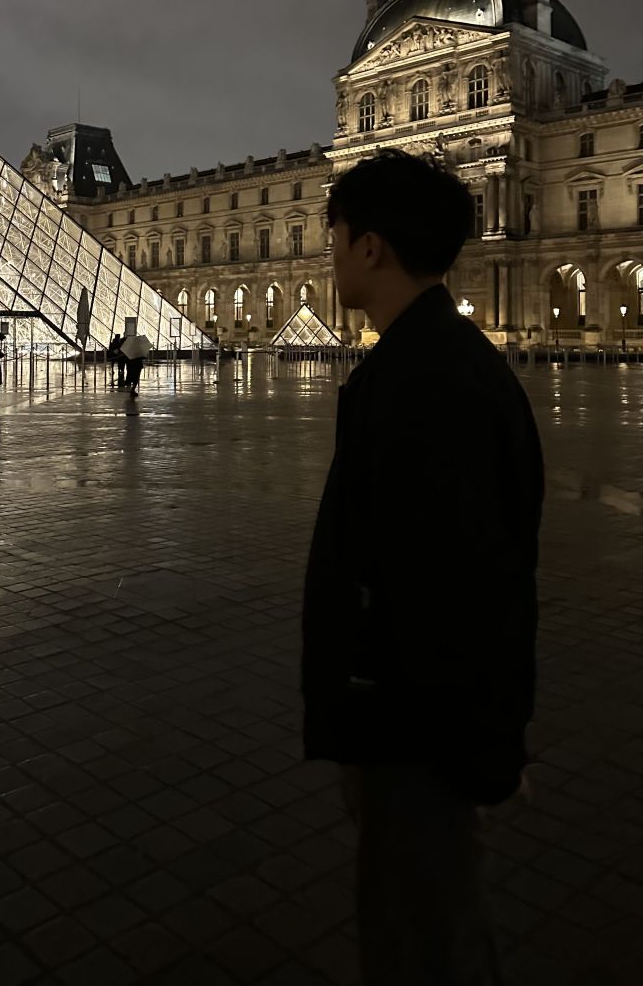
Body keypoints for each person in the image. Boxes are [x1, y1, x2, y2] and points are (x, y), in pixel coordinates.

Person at [302, 150, 542, 986]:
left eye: (335, 235)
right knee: (428, 920)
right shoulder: (438, 360)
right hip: (419, 722)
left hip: (415, 735)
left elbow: (460, 585)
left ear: (370, 245)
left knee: (420, 935)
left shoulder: (426, 379)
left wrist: (475, 745)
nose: (329, 253)